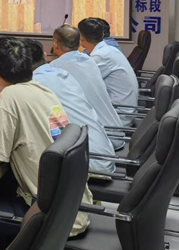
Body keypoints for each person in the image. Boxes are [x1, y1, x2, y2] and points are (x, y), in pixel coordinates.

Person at [0, 37, 90, 250]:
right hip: (72, 206)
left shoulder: (10, 95)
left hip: (47, 215)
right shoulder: (40, 89)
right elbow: (32, 128)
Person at [24, 40, 116, 174]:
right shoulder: (62, 74)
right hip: (104, 154)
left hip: (88, 165)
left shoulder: (36, 84)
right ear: (44, 55)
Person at [51, 25, 124, 150]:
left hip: (101, 137)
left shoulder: (55, 69)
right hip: (116, 130)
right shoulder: (89, 61)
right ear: (80, 43)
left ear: (55, 44)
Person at [78, 18, 138, 127]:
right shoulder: (109, 50)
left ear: (81, 39)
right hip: (124, 110)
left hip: (118, 116)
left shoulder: (101, 56)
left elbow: (79, 83)